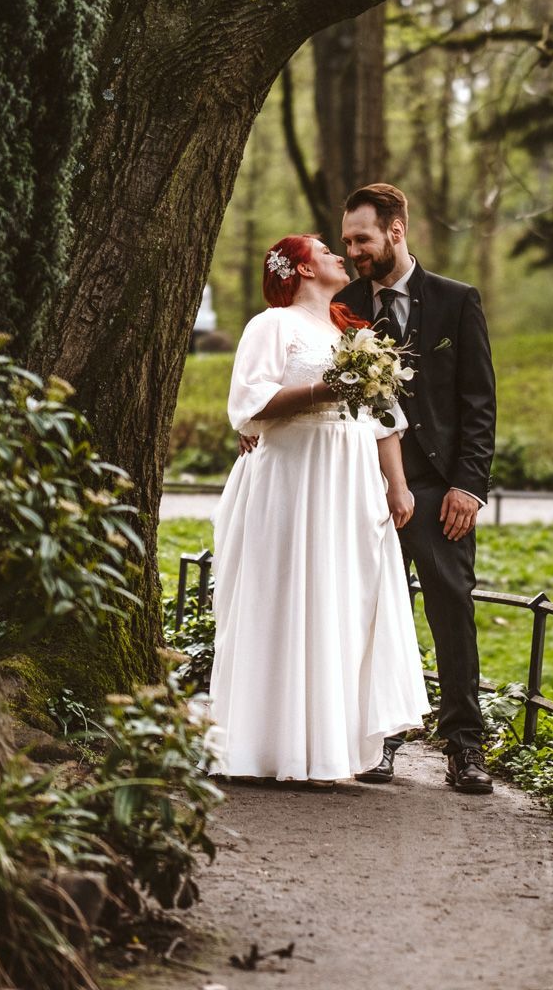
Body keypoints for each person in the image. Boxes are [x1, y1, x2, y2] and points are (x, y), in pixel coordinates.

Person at [207, 234, 431, 782]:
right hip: (295, 475)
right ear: (303, 269)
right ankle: (269, 746)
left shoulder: (352, 331)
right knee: (287, 594)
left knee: (342, 600)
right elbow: (249, 404)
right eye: (325, 249)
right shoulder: (272, 325)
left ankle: (332, 746)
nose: (338, 255)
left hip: (350, 482)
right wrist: (325, 390)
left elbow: (385, 420)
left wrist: (396, 486)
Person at [335, 184, 497, 795]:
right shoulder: (342, 303)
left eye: (363, 239)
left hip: (438, 488)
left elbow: (479, 404)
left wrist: (468, 487)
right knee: (369, 611)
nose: (353, 251)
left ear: (396, 232)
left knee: (451, 607)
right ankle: (378, 741)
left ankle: (464, 746)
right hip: (358, 490)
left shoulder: (457, 301)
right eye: (348, 241)